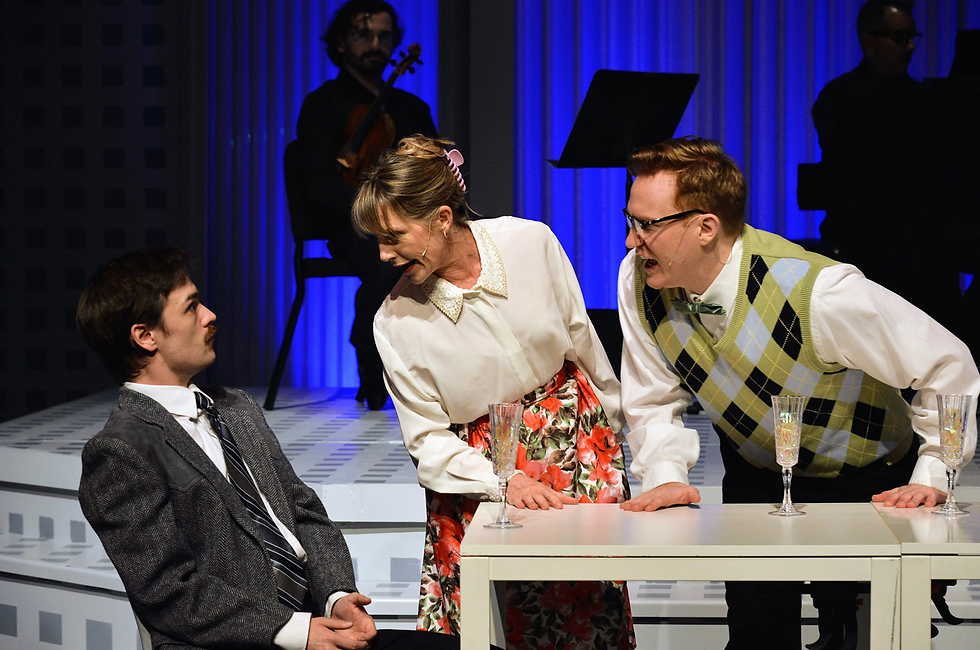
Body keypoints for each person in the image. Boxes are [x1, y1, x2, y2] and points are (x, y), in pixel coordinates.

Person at [616, 137, 980, 650]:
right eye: (630, 221)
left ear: (705, 227)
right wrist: (666, 476)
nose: (633, 241)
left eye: (647, 226)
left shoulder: (820, 292)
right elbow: (653, 398)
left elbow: (948, 364)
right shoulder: (639, 283)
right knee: (757, 636)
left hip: (870, 477)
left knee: (864, 636)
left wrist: (934, 471)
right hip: (759, 472)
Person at [75, 248, 458, 650]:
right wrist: (293, 632)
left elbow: (302, 510)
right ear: (145, 336)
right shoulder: (119, 451)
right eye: (191, 308)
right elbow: (169, 593)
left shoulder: (234, 406)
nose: (209, 315)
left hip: (314, 623)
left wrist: (337, 596)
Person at [352, 136, 635, 649]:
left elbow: (582, 342)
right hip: (483, 472)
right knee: (502, 625)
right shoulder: (394, 322)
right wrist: (502, 481)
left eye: (394, 236)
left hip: (575, 440)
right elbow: (428, 443)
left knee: (589, 612)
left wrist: (617, 431)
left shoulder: (530, 242)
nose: (383, 254)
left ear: (441, 217)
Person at [296, 0, 437, 410]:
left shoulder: (411, 109)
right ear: (341, 43)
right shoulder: (322, 105)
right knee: (385, 261)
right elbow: (320, 185)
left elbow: (435, 170)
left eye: (384, 36)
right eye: (364, 35)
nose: (376, 44)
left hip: (410, 220)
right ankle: (371, 365)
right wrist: (374, 213)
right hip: (351, 225)